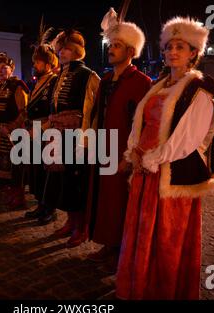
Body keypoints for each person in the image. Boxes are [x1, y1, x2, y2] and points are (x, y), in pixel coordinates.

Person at [116, 17, 214, 300]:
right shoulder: (159, 86)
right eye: (169, 47)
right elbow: (141, 124)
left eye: (181, 47)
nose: (172, 52)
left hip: (169, 174)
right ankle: (137, 286)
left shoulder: (198, 90)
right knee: (140, 232)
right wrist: (134, 151)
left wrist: (153, 159)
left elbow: (187, 140)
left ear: (193, 53)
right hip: (144, 171)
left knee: (166, 238)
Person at [85, 8, 151, 274]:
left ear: (131, 51)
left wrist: (131, 156)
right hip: (104, 149)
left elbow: (144, 125)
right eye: (110, 44)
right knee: (104, 200)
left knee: (121, 204)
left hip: (123, 153)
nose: (111, 49)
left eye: (117, 45)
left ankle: (120, 253)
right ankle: (108, 244)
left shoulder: (142, 83)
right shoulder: (105, 80)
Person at [47, 29, 100, 247]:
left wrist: (86, 141)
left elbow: (91, 110)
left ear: (77, 51)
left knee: (78, 183)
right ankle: (70, 221)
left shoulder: (87, 74)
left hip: (78, 136)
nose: (62, 52)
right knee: (65, 182)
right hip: (59, 134)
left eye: (67, 49)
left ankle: (82, 227)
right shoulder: (61, 74)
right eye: (61, 48)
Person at [24, 25, 59, 225]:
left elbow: (53, 109)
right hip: (33, 131)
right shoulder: (38, 81)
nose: (34, 64)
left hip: (46, 131)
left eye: (38, 61)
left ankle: (50, 208)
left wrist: (41, 129)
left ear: (47, 63)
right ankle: (40, 204)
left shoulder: (54, 81)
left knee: (47, 172)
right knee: (36, 171)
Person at [0, 52, 29, 209]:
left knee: (16, 167)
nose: (0, 71)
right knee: (5, 167)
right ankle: (11, 193)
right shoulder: (1, 86)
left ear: (12, 69)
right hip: (1, 131)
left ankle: (20, 197)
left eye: (4, 68)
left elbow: (24, 111)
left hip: (14, 133)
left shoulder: (18, 86)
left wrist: (10, 127)